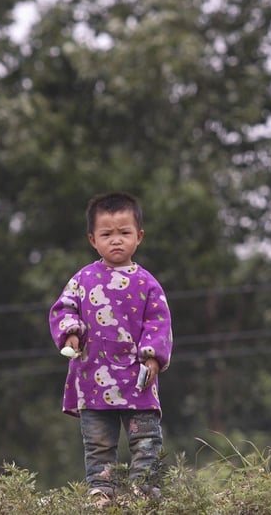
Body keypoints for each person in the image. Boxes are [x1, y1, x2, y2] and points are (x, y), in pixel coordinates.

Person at [48, 191, 174, 504]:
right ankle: (102, 494)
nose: (116, 240)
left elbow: (158, 323)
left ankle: (144, 492)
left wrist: (153, 358)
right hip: (93, 379)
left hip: (138, 380)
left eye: (124, 233)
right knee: (98, 444)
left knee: (146, 440)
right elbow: (64, 309)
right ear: (93, 239)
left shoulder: (147, 283)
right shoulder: (82, 279)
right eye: (107, 234)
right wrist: (70, 333)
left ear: (139, 236)